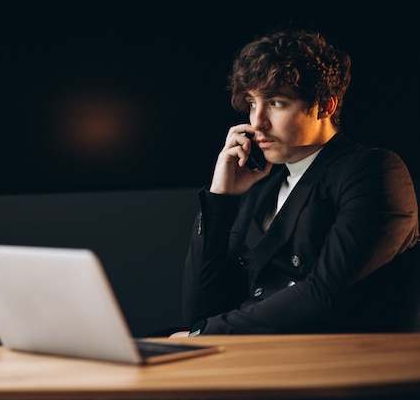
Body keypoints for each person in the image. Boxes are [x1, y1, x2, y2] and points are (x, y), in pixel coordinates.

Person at [175, 28, 420, 337]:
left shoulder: (374, 171)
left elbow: (323, 296)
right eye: (252, 103)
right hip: (247, 352)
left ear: (325, 106)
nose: (257, 121)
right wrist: (220, 197)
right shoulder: (260, 186)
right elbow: (199, 310)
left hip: (322, 363)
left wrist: (206, 336)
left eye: (275, 103)